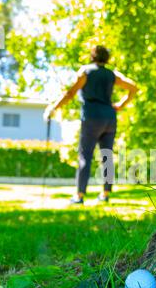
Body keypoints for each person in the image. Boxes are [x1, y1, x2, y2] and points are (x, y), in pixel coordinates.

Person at [44, 46, 137, 204]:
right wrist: (121, 105)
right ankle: (105, 194)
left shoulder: (85, 71)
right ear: (107, 58)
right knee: (107, 155)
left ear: (92, 56)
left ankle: (79, 196)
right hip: (109, 118)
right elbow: (134, 88)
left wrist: (54, 107)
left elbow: (70, 93)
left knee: (85, 155)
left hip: (92, 117)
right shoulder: (112, 74)